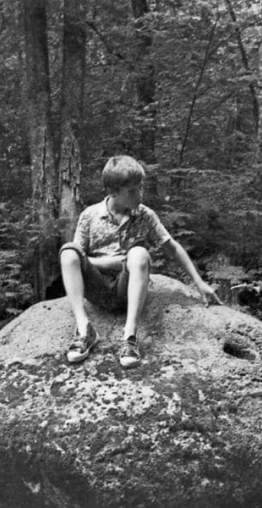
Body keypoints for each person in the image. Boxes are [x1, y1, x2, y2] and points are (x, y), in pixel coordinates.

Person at [59, 155, 222, 369]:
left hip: (127, 290)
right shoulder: (90, 215)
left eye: (141, 188)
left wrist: (199, 283)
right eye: (132, 191)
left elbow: (172, 248)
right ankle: (84, 330)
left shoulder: (145, 216)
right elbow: (77, 259)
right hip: (97, 288)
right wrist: (108, 263)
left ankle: (130, 337)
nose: (140, 194)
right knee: (67, 251)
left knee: (139, 253)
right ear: (113, 192)